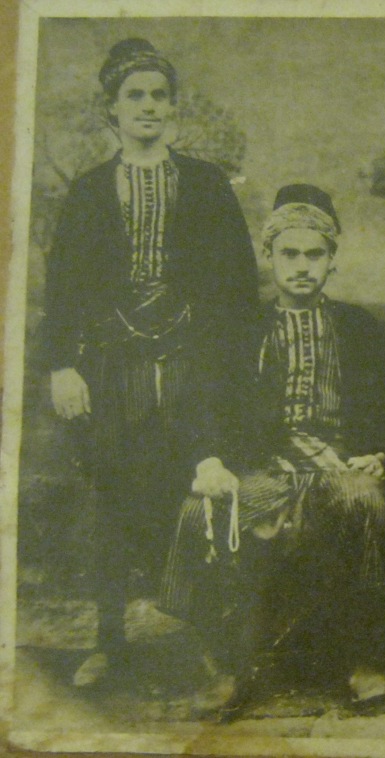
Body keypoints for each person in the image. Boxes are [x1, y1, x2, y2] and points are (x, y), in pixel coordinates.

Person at [41, 38, 258, 687]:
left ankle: (212, 641)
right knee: (110, 497)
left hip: (194, 364)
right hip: (113, 367)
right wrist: (62, 367)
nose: (148, 107)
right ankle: (108, 640)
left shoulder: (206, 183)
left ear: (173, 107)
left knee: (203, 492)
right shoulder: (88, 191)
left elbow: (239, 288)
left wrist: (230, 373)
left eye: (159, 96)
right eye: (134, 96)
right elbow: (63, 288)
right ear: (111, 108)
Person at [159, 185, 385, 715]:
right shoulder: (241, 330)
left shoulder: (361, 329)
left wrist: (379, 453)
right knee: (201, 511)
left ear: (332, 260)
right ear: (269, 256)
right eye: (290, 254)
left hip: (340, 464)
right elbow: (206, 404)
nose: (302, 266)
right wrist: (211, 461)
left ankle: (365, 658)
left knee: (365, 502)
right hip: (267, 468)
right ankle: (224, 666)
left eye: (315, 254)